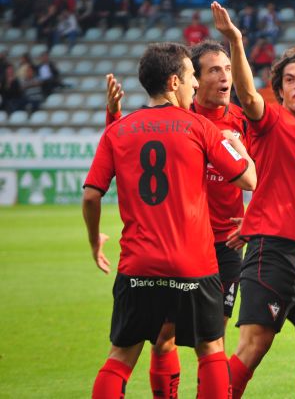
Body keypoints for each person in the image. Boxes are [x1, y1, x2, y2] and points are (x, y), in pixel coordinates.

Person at [83, 42, 256, 399]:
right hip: (194, 262)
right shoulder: (199, 127)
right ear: (174, 81)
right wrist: (239, 150)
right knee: (211, 350)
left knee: (120, 358)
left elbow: (90, 195)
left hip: (138, 265)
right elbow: (249, 180)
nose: (195, 85)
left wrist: (93, 239)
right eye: (193, 76)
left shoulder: (118, 130)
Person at [211, 1, 295, 399]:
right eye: (289, 80)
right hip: (273, 251)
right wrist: (235, 40)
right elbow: (248, 95)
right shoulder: (271, 121)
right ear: (280, 90)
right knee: (254, 345)